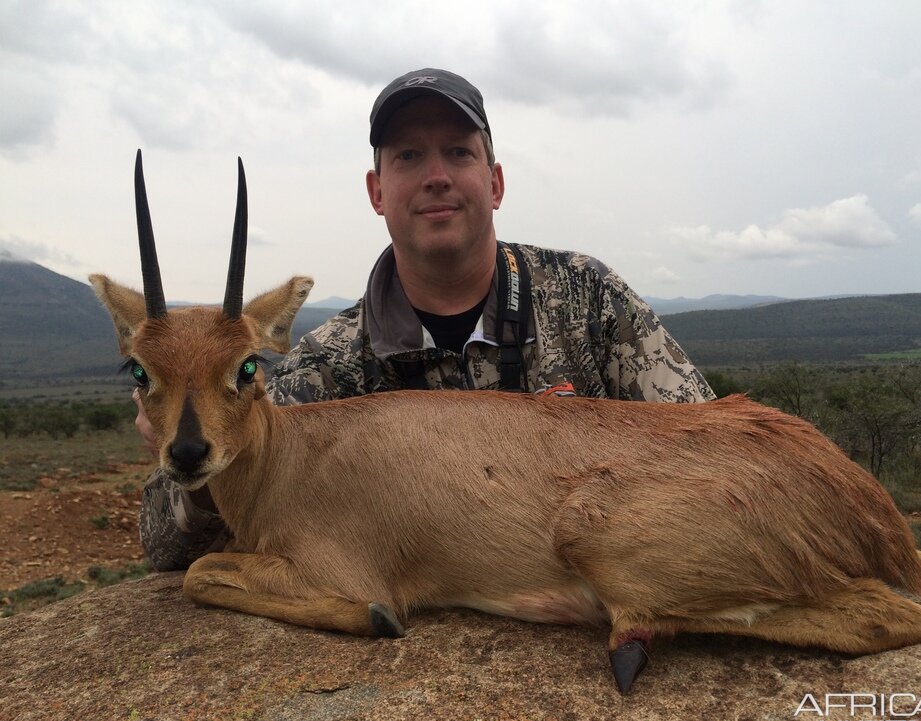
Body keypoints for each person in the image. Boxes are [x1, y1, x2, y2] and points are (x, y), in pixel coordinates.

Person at [137, 68, 716, 570]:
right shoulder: (329, 364)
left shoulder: (588, 297)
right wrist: (204, 442)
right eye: (409, 155)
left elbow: (709, 449)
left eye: (459, 152)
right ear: (377, 191)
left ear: (495, 182)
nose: (435, 174)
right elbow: (168, 546)